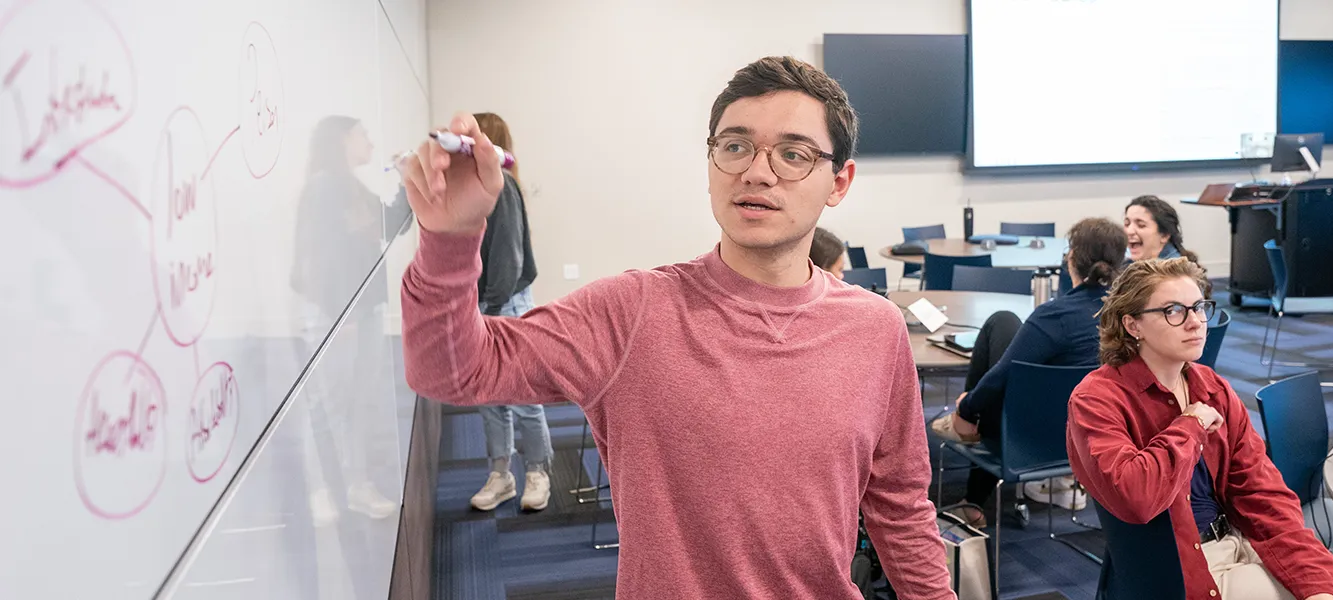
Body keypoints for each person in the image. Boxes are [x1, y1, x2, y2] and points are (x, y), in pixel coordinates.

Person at [398, 57, 955, 598]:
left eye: (794, 154)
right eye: (734, 147)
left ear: (839, 181)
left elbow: (901, 507)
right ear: (712, 164)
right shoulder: (634, 311)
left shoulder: (875, 329)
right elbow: (451, 370)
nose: (757, 172)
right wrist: (452, 238)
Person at [1067, 257, 1333, 600]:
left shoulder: (1209, 386)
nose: (1196, 321)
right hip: (1184, 573)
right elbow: (1136, 496)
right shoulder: (1097, 399)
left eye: (1199, 307)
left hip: (1242, 547)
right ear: (1132, 325)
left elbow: (1265, 498)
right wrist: (1190, 425)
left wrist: (1315, 587)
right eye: (1174, 311)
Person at [930, 218, 1127, 527]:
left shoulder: (1054, 317)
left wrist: (968, 406)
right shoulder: (1128, 314)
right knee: (1010, 330)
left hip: (1029, 440)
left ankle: (971, 482)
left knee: (1002, 323)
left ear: (1071, 258)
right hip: (1100, 434)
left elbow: (1003, 376)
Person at [291, 116, 406, 525]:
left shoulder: (354, 187)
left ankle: (356, 485)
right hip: (335, 312)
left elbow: (393, 225)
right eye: (363, 135)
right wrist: (344, 312)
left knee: (359, 401)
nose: (370, 142)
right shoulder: (324, 187)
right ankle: (321, 490)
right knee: (329, 403)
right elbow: (318, 257)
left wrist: (409, 182)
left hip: (364, 308)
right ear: (342, 140)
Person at [463, 112, 555, 513]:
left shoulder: (504, 187)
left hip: (506, 302)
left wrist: (493, 307)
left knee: (522, 394)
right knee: (489, 395)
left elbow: (508, 257)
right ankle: (501, 474)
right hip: (483, 301)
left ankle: (538, 471)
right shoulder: (478, 188)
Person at [1124, 195, 1198, 263]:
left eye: (1141, 225)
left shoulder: (1176, 273)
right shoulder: (1124, 263)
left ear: (1164, 235)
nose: (1129, 231)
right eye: (1127, 224)